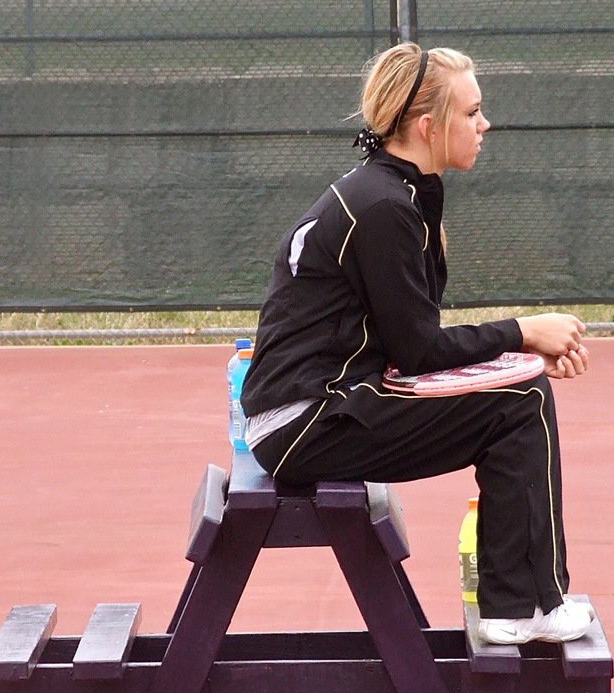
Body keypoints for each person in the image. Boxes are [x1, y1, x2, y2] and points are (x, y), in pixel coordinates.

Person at [241, 42, 593, 644]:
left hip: (316, 411)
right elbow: (422, 351)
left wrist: (516, 356)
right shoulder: (382, 208)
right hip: (308, 423)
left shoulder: (391, 195)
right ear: (429, 126)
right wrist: (524, 331)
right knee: (520, 406)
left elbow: (407, 347)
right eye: (473, 112)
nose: (486, 125)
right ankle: (522, 608)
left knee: (520, 390)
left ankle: (521, 601)